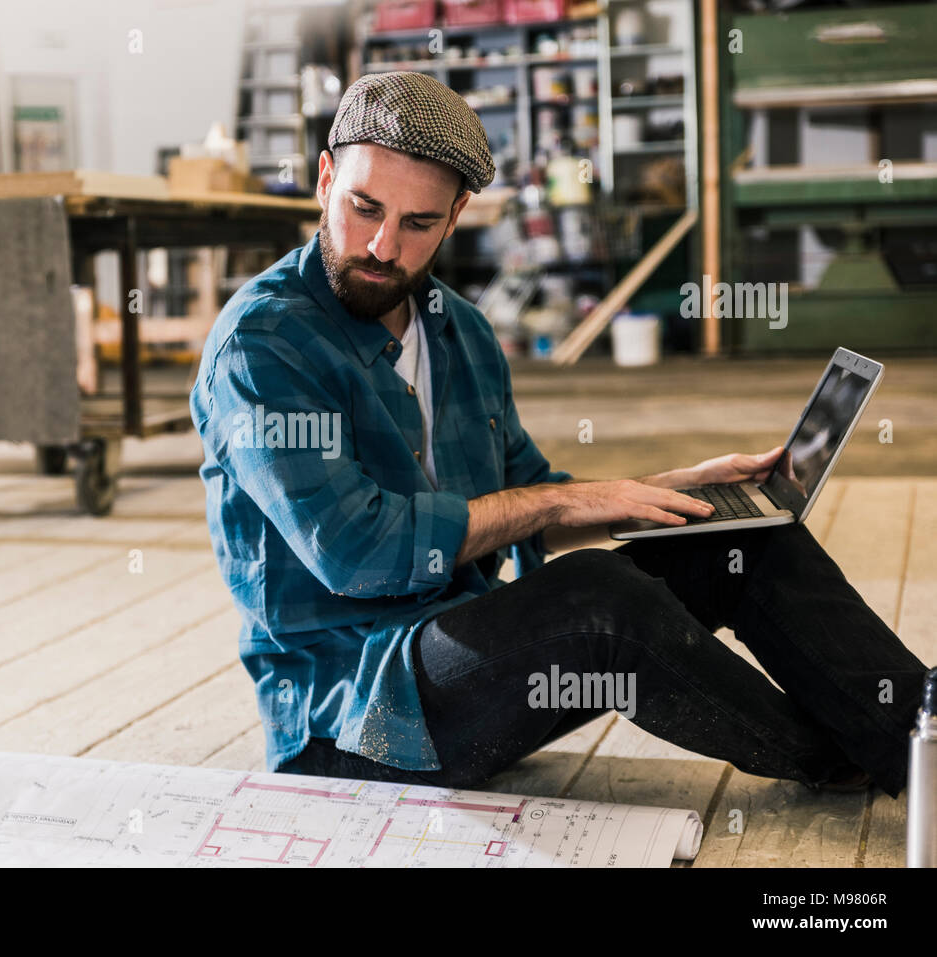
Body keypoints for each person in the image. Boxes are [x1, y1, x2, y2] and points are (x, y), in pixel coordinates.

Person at [189, 71, 928, 799]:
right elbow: (357, 555)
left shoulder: (459, 331)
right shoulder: (263, 344)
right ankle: (851, 757)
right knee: (597, 596)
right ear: (325, 179)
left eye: (418, 224)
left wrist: (666, 494)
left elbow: (528, 502)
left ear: (456, 216)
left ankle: (914, 737)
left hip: (471, 661)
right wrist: (555, 503)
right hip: (356, 716)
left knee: (742, 540)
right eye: (363, 207)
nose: (383, 246)